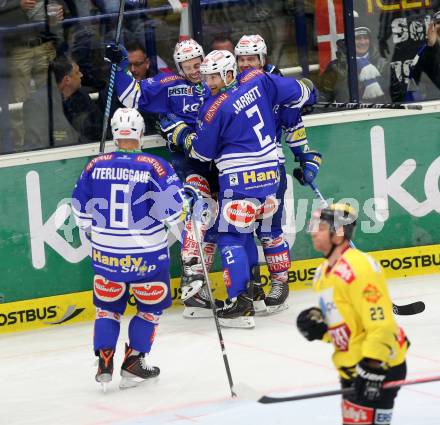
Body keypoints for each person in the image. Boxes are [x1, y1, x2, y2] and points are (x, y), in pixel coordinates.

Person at [163, 50, 315, 328]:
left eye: (213, 76)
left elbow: (201, 153)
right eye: (206, 76)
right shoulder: (259, 80)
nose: (208, 82)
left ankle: (240, 303)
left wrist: (181, 134)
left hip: (240, 182)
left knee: (231, 236)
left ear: (229, 73)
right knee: (257, 232)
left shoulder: (214, 108)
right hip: (271, 179)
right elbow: (299, 92)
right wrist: (310, 91)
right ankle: (254, 293)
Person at [105, 38, 219, 319]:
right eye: (188, 65)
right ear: (178, 65)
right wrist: (120, 68)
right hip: (189, 161)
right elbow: (132, 97)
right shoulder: (167, 84)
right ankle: (193, 280)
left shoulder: (214, 80)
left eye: (197, 63)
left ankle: (197, 285)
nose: (194, 70)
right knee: (200, 210)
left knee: (215, 220)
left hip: (218, 159)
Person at [72, 107, 185, 389]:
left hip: (106, 254)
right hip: (147, 255)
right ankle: (134, 361)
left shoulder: (94, 165)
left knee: (107, 310)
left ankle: (105, 360)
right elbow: (174, 214)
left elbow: (81, 215)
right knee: (149, 309)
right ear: (141, 133)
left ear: (114, 133)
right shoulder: (155, 166)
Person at [297, 203, 409, 424]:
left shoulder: (360, 268)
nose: (312, 232)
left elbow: (381, 325)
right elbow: (346, 326)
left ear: (338, 234)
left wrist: (371, 368)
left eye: (319, 227)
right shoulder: (322, 273)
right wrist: (321, 328)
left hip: (377, 366)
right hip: (352, 368)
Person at [235, 34, 321, 314]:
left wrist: (305, 156)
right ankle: (250, 285)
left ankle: (280, 281)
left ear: (263, 59)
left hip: (270, 168)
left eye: (252, 59)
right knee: (241, 230)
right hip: (238, 172)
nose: (247, 64)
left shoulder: (274, 85)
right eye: (242, 59)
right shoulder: (230, 87)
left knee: (269, 230)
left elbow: (292, 124)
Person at [23, 55, 101, 150]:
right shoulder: (36, 104)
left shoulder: (81, 96)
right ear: (67, 80)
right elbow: (35, 146)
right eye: (77, 73)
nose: (81, 75)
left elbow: (97, 128)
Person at [318, 26, 388, 103]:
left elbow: (391, 95)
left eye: (366, 38)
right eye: (358, 38)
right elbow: (323, 98)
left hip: (380, 113)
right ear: (349, 42)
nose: (363, 42)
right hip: (349, 114)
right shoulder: (336, 67)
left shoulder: (382, 64)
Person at [408, 11, 440, 93]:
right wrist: (431, 48)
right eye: (439, 22)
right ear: (433, 27)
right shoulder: (424, 51)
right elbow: (414, 77)